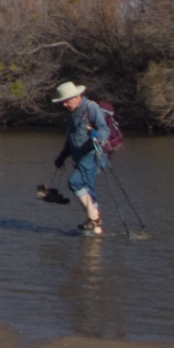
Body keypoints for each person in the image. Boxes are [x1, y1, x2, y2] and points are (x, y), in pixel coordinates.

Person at [52, 80, 109, 236]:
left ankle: (94, 219)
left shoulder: (91, 108)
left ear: (77, 96)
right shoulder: (70, 113)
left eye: (66, 101)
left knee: (75, 181)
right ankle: (96, 232)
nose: (64, 105)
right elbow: (71, 138)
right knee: (88, 191)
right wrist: (62, 156)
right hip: (78, 157)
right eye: (62, 102)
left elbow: (104, 129)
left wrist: (98, 136)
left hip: (92, 154)